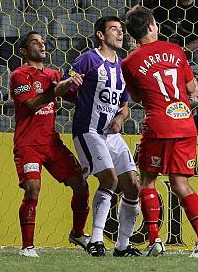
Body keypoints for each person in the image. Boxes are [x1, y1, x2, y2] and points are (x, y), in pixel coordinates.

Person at [121, 6, 198, 258]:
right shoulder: (176, 50)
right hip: (185, 123)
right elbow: (192, 85)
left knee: (148, 180)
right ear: (152, 25)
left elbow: (138, 97)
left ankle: (154, 240)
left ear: (131, 34)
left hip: (158, 125)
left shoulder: (129, 62)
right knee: (180, 182)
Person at [9, 31, 90, 258]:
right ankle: (27, 247)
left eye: (43, 41)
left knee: (81, 185)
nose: (42, 45)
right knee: (33, 189)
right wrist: (57, 88)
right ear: (24, 51)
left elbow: (72, 96)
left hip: (51, 143)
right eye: (35, 42)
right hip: (28, 144)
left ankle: (77, 232)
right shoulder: (19, 75)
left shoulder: (54, 73)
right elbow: (34, 104)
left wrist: (83, 84)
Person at [69, 16, 141, 257]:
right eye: (114, 29)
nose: (120, 34)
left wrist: (120, 119)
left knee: (132, 185)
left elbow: (124, 105)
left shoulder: (122, 67)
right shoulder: (88, 59)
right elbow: (67, 85)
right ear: (101, 34)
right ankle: (96, 241)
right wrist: (71, 82)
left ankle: (122, 245)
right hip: (88, 131)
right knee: (109, 180)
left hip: (110, 134)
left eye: (121, 30)